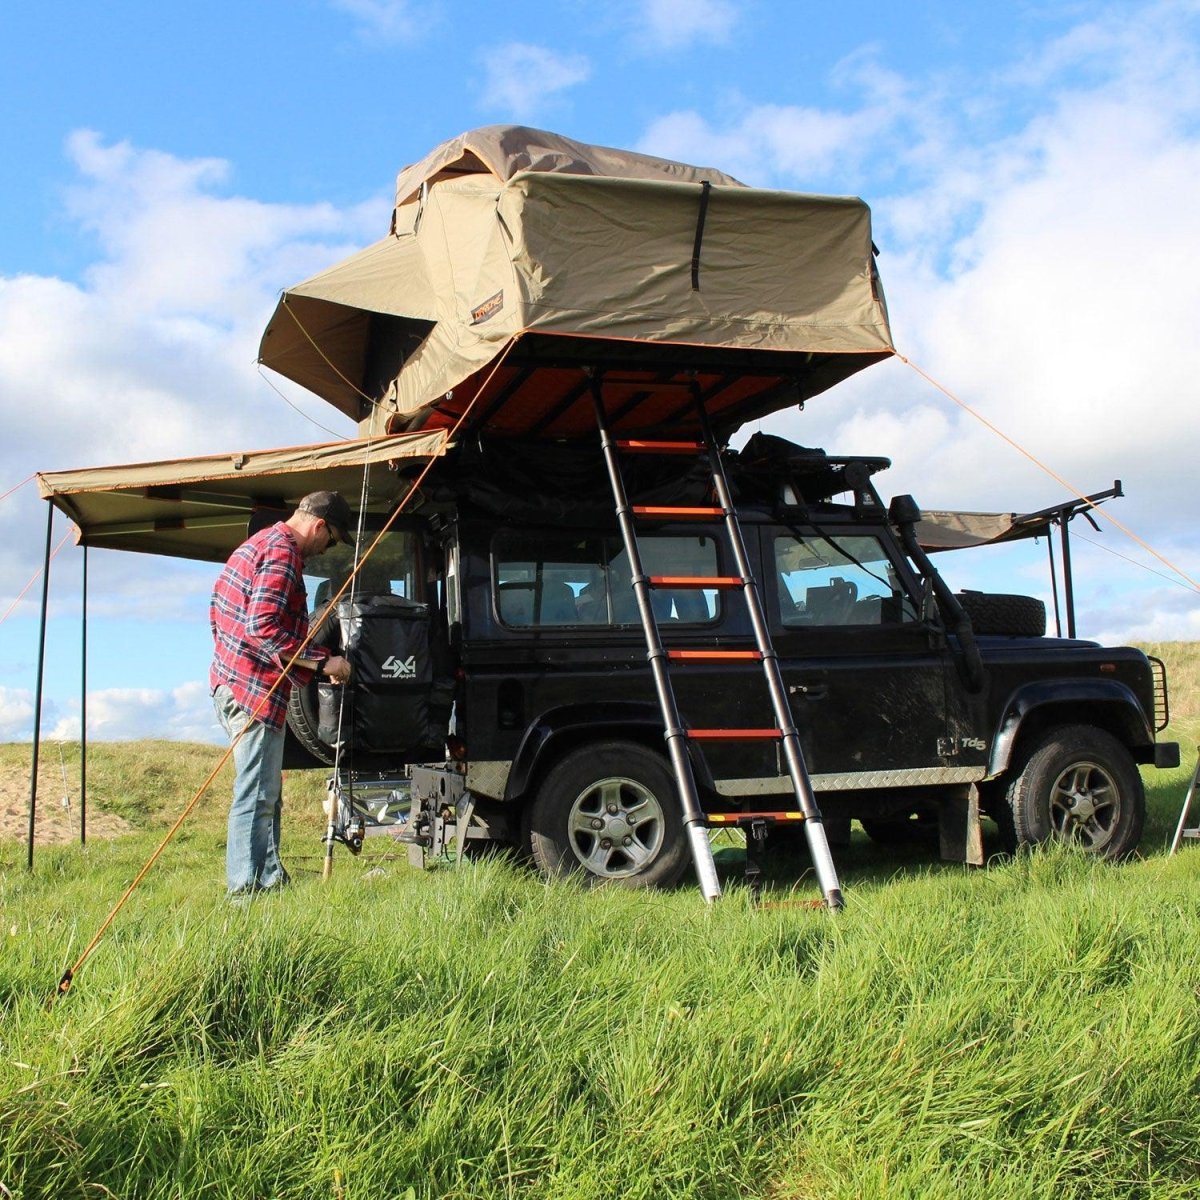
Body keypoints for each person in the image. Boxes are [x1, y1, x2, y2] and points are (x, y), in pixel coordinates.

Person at [210, 491, 355, 896]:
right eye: (331, 539)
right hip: (252, 691)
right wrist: (323, 662)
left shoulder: (255, 545)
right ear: (319, 526)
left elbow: (220, 612)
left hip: (233, 682)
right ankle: (244, 892)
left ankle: (270, 881)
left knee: (265, 794)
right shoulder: (283, 552)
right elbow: (263, 627)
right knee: (255, 796)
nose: (327, 549)